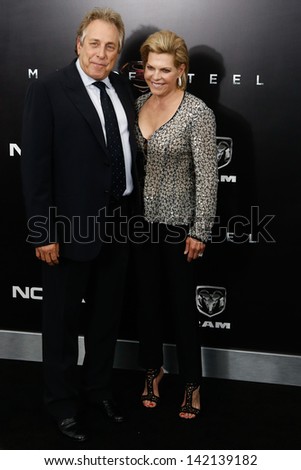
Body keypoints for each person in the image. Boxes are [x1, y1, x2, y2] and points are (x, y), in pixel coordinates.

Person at [21, 7, 138, 441]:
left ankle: (98, 389)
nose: (101, 53)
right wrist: (42, 231)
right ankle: (63, 404)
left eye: (111, 46)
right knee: (62, 322)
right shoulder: (49, 89)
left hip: (120, 223)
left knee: (106, 319)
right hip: (68, 229)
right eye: (94, 43)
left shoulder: (123, 87)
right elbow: (35, 168)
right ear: (78, 43)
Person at [133, 30, 218, 419]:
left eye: (164, 69)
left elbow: (207, 177)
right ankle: (153, 371)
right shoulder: (136, 104)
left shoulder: (198, 113)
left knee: (183, 310)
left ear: (181, 70)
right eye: (150, 67)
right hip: (138, 226)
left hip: (179, 226)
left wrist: (200, 229)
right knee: (147, 306)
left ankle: (192, 385)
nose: (155, 75)